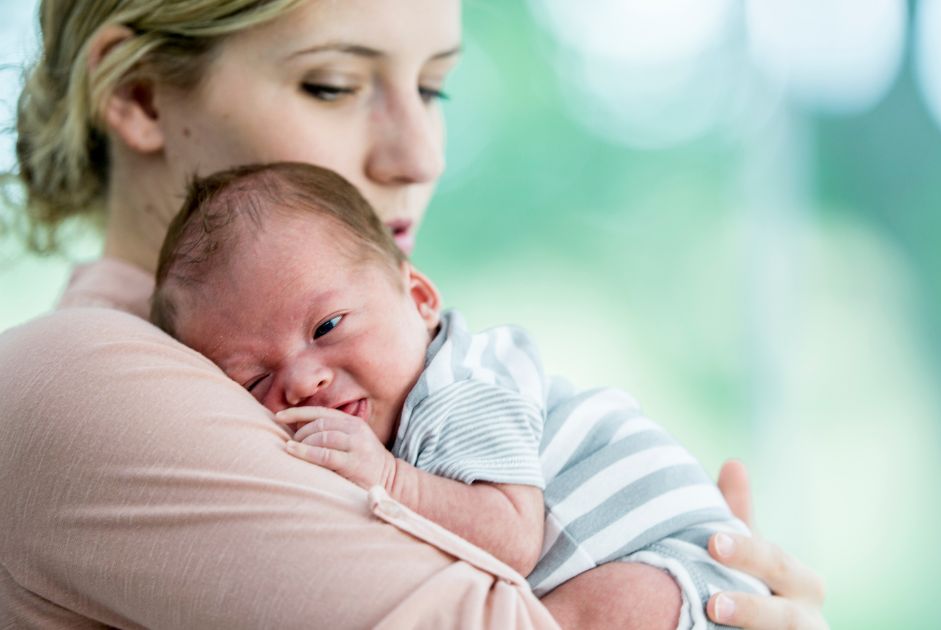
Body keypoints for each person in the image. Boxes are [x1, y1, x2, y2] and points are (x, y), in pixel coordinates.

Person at [0, 0, 827, 628]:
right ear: (140, 95)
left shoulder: (408, 380)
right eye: (334, 85)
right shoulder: (74, 382)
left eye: (434, 86)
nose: (422, 153)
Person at [150, 161, 772, 629]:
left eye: (328, 327)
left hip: (680, 571)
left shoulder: (457, 388)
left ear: (420, 300)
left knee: (597, 613)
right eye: (255, 380)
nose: (302, 380)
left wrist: (390, 480)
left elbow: (512, 534)